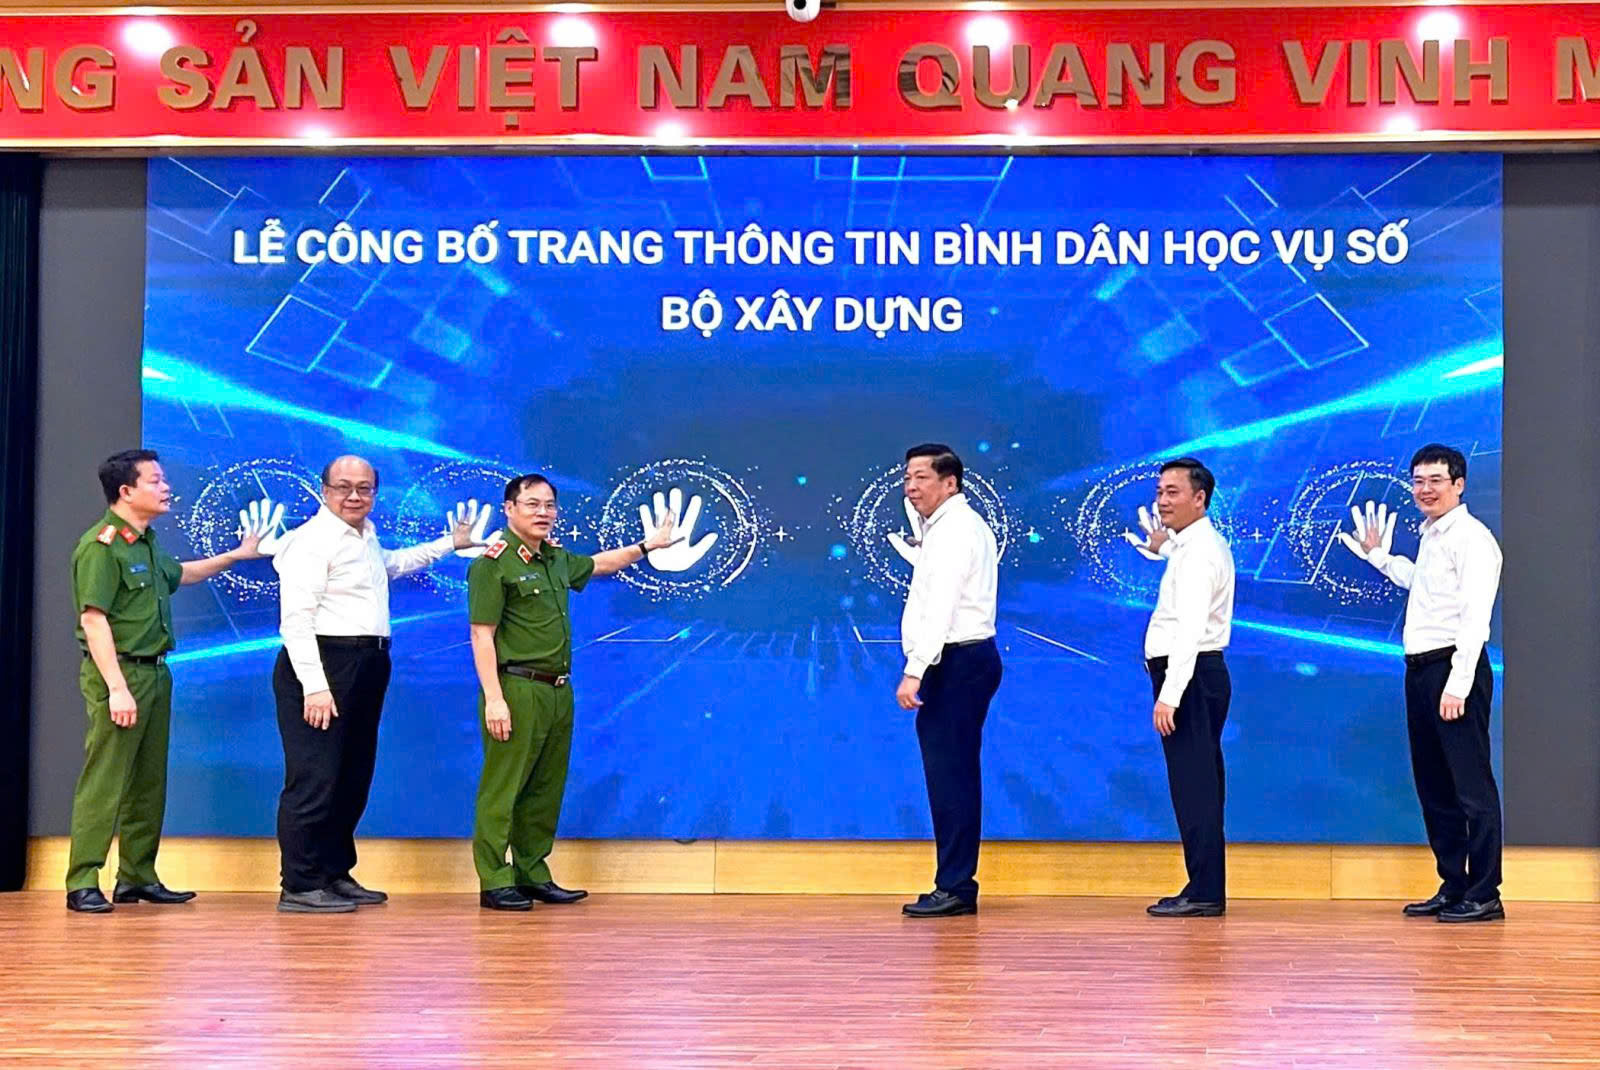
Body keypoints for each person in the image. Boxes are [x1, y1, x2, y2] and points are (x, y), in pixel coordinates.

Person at [272, 455, 486, 913]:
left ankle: (333, 872)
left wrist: (450, 543)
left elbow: (391, 564)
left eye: (364, 488)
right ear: (324, 490)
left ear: (374, 492)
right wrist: (315, 686)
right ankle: (300, 884)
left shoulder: (364, 536)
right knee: (315, 777)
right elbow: (296, 622)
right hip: (324, 665)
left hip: (366, 663)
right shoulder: (310, 541)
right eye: (344, 487)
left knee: (351, 776)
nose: (354, 496)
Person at [66, 449, 275, 913]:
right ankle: (82, 880)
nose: (166, 488)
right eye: (156, 481)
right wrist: (117, 688)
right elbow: (94, 620)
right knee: (105, 778)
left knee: (148, 780)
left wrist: (236, 555)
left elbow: (181, 574)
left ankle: (136, 876)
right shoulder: (101, 546)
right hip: (121, 673)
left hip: (156, 672)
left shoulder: (146, 542)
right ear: (126, 491)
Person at [469, 474, 684, 911]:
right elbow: (481, 634)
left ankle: (532, 872)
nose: (543, 512)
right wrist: (494, 698)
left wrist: (647, 546)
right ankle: (494, 879)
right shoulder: (493, 563)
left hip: (557, 689)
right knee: (503, 788)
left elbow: (599, 565)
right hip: (516, 688)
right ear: (509, 509)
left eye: (549, 505)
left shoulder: (553, 558)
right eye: (532, 504)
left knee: (544, 788)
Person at [1340, 444, 1505, 922]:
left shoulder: (1473, 539)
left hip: (1453, 669)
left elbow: (1475, 618)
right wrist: (1379, 558)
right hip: (1420, 671)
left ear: (1459, 484)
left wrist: (1458, 683)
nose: (1425, 490)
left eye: (1436, 480)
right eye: (1418, 481)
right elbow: (1426, 587)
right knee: (1435, 785)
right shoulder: (1432, 534)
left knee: (1471, 787)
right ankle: (1453, 885)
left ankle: (1485, 893)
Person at [893, 444, 1002, 919]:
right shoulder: (946, 528)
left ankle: (956, 885)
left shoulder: (955, 531)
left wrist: (915, 668)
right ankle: (954, 881)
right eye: (907, 478)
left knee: (951, 775)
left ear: (950, 482)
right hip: (961, 661)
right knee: (951, 773)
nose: (911, 487)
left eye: (921, 477)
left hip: (957, 662)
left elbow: (941, 606)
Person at [1128, 457, 1235, 918]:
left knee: (1195, 787)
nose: (1162, 501)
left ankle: (1206, 892)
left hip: (1190, 678)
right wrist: (1163, 548)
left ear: (1200, 498)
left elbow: (1190, 629)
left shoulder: (1200, 553)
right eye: (1160, 492)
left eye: (1173, 492)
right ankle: (1201, 885)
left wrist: (1170, 695)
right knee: (1197, 784)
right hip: (1194, 676)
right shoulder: (1191, 547)